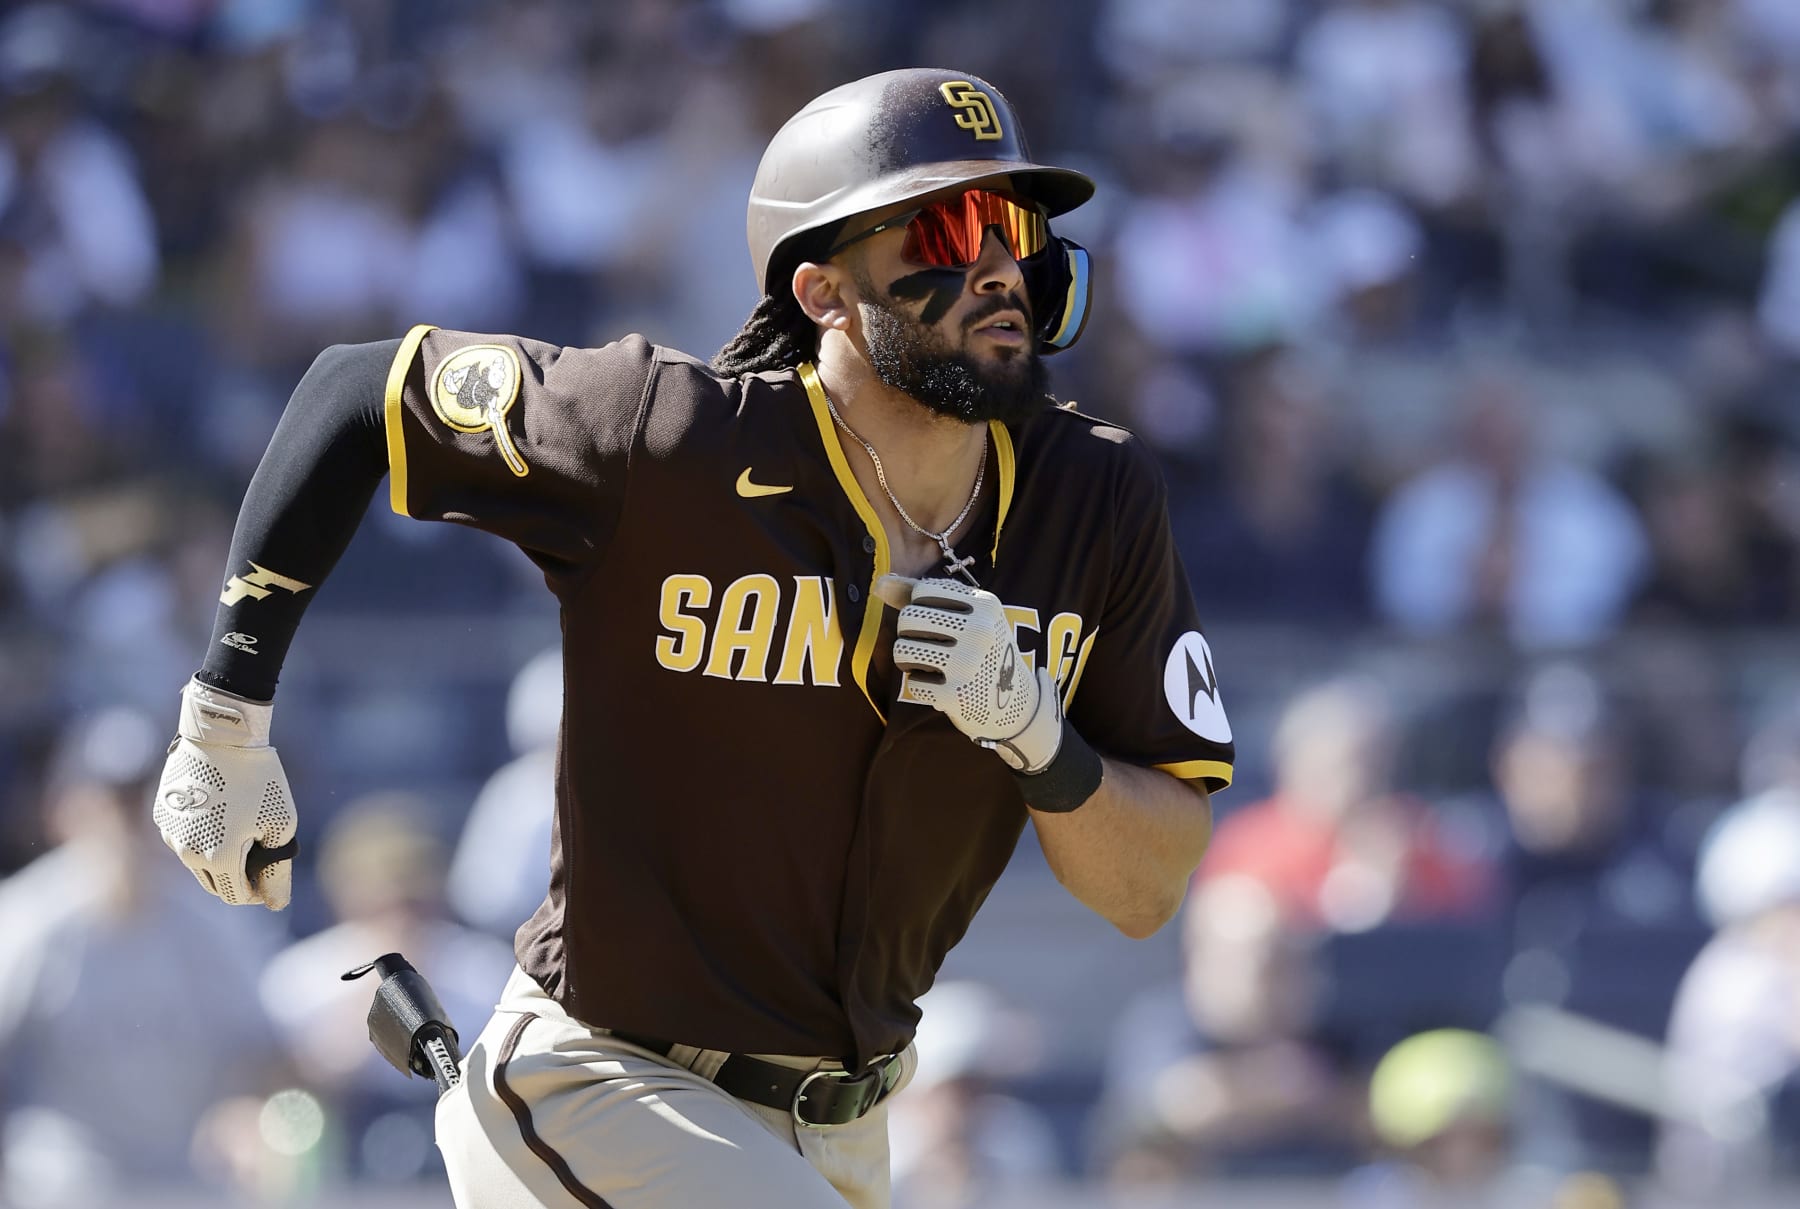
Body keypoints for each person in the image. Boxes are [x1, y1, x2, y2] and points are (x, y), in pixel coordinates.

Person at [148, 67, 1235, 1209]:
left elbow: (1145, 891)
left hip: (850, 1136)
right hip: (600, 1080)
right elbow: (356, 392)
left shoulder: (1095, 498)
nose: (1000, 263)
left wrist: (1038, 740)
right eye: (947, 225)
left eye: (1014, 224)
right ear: (822, 291)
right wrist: (224, 718)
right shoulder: (667, 438)